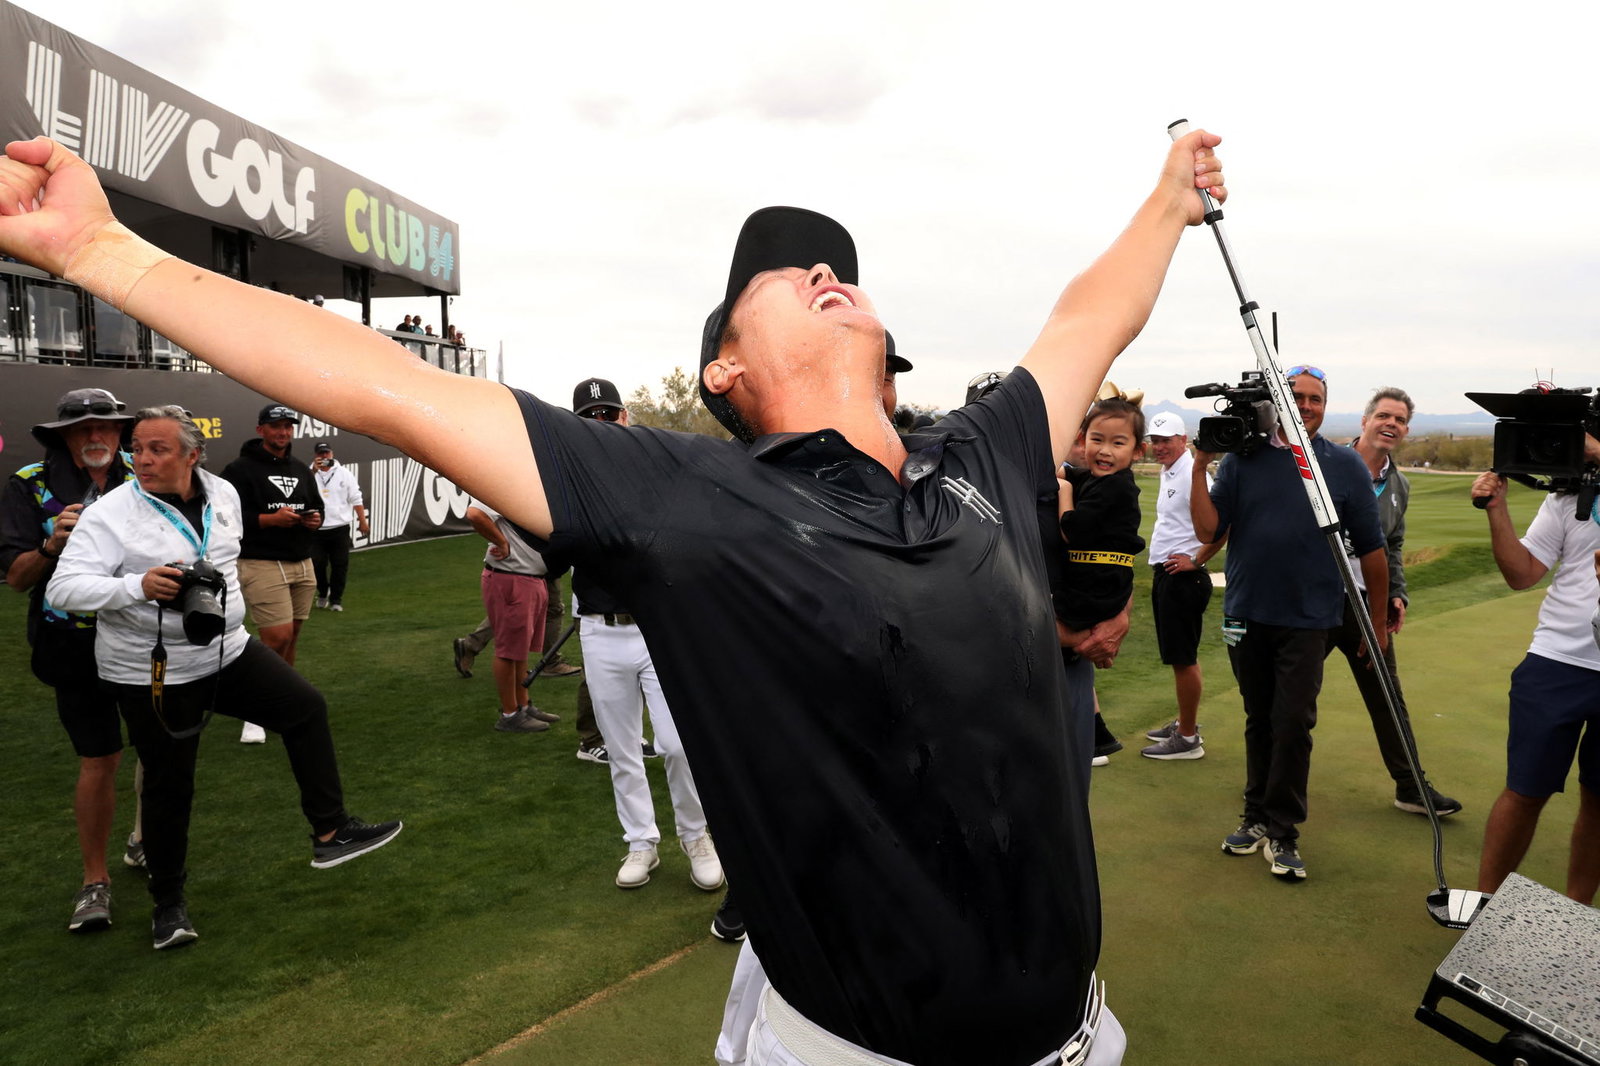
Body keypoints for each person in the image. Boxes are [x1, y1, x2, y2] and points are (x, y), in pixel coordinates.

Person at [0, 127, 1227, 1065]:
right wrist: (99, 252)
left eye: (837, 269)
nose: (823, 272)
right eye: (789, 274)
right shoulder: (684, 496)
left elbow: (1085, 319)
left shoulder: (987, 458)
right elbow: (377, 383)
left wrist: (1169, 199)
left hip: (1083, 1035)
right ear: (723, 368)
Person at [45, 405, 402, 949]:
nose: (141, 459)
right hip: (150, 669)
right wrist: (135, 587)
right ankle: (169, 905)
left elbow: (228, 561)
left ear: (192, 454)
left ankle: (330, 832)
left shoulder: (225, 493)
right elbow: (62, 589)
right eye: (136, 448)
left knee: (305, 707)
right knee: (170, 785)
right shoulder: (110, 513)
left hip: (225, 650)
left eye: (157, 449)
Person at [1189, 365, 1387, 881]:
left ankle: (1283, 831)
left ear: (1326, 406)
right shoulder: (1243, 461)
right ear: (1278, 401)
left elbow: (1372, 550)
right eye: (1295, 396)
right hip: (1246, 613)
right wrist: (1198, 469)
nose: (1305, 405)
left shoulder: (1343, 466)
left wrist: (1377, 623)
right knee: (1259, 717)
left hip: (1309, 617)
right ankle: (1255, 816)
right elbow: (1211, 527)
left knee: (1293, 721)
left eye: (1315, 398)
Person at [566, 377, 722, 891]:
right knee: (621, 747)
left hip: (656, 629)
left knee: (677, 745)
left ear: (624, 417)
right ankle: (641, 842)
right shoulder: (569, 485)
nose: (602, 425)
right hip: (599, 628)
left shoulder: (651, 472)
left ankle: (696, 835)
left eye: (608, 415)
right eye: (591, 418)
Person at [1, 387, 144, 932]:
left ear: (120, 432)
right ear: (63, 436)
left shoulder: (144, 475)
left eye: (105, 426)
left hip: (143, 635)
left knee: (157, 751)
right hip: (72, 647)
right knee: (99, 760)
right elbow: (15, 579)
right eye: (82, 428)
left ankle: (145, 843)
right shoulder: (29, 485)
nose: (94, 437)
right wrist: (51, 548)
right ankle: (94, 882)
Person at [1471, 435, 1600, 905]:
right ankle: (1485, 906)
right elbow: (1523, 573)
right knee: (1525, 790)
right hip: (1556, 661)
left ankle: (1577, 911)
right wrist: (1497, 509)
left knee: (1599, 800)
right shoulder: (1568, 497)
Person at [1326, 389, 1461, 814]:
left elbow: (1393, 545)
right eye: (1383, 415)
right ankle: (1270, 785)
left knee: (1388, 694)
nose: (1391, 424)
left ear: (1405, 430)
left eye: (1400, 420)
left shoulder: (1399, 484)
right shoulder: (1321, 464)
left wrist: (1396, 593)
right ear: (1364, 420)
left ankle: (1410, 786)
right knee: (1291, 696)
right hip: (1314, 598)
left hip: (1368, 604)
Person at [221, 404, 324, 743]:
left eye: (288, 427)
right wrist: (270, 520)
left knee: (291, 637)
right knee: (276, 637)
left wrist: (314, 519)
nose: (283, 432)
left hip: (301, 560)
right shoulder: (239, 470)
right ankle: (253, 712)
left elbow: (317, 506)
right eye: (276, 426)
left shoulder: (300, 469)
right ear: (260, 429)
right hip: (260, 561)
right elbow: (230, 518)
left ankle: (281, 700)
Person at [1140, 412, 1223, 760]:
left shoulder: (1193, 474)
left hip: (1185, 577)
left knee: (1183, 659)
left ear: (1183, 439)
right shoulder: (1171, 470)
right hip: (1168, 573)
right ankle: (1184, 724)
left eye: (1166, 440)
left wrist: (1197, 559)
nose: (1159, 446)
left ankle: (1187, 739)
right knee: (1179, 657)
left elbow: (1222, 527)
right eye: (1155, 440)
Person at [465, 498, 562, 733]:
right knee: (509, 651)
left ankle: (523, 705)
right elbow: (475, 514)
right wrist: (501, 542)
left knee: (519, 649)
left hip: (528, 577)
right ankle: (510, 713)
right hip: (512, 577)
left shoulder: (521, 486)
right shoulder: (499, 485)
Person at [309, 441, 368, 611]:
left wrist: (362, 521)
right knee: (317, 564)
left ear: (332, 454)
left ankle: (336, 600)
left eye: (327, 453)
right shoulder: (309, 473)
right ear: (315, 456)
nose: (324, 457)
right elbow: (301, 490)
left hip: (340, 527)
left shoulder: (344, 474)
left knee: (340, 565)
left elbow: (356, 498)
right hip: (317, 528)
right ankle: (322, 591)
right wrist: (313, 470)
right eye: (321, 454)